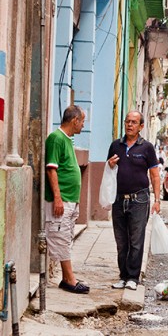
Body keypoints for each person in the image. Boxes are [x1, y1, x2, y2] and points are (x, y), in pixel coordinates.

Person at [107, 111, 161, 291]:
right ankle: (123, 276)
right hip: (118, 199)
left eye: (134, 122)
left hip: (140, 199)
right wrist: (110, 165)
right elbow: (109, 169)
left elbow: (154, 174)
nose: (130, 125)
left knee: (136, 240)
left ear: (141, 126)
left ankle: (133, 277)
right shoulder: (116, 145)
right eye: (128, 121)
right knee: (121, 241)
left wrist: (157, 199)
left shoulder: (147, 148)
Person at [45, 105, 89, 294]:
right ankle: (70, 280)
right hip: (61, 199)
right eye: (82, 121)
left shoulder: (67, 140)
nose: (83, 125)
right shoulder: (56, 138)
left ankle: (66, 277)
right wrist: (57, 198)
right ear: (74, 121)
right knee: (60, 237)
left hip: (70, 198)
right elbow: (51, 169)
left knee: (66, 237)